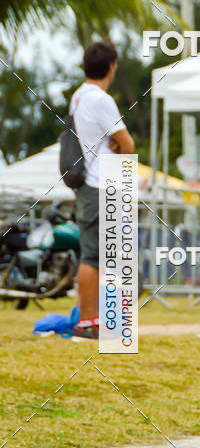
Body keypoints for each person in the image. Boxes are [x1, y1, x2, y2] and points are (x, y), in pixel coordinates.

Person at [71, 41, 135, 340]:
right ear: (111, 66)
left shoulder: (79, 96)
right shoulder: (101, 99)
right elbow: (127, 144)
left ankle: (91, 318)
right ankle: (90, 322)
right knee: (98, 257)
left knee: (92, 255)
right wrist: (117, 143)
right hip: (103, 183)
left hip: (86, 183)